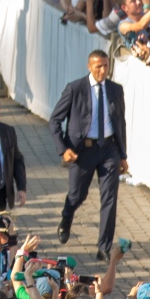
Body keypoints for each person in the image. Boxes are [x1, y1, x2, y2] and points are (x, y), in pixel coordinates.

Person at [52, 50, 126, 254]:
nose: (103, 70)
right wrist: (63, 149)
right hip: (82, 151)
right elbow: (55, 120)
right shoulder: (75, 89)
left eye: (106, 66)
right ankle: (67, 217)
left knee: (109, 198)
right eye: (98, 67)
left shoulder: (115, 90)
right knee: (77, 195)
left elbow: (120, 123)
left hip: (109, 149)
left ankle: (104, 247)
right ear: (89, 66)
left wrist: (123, 155)